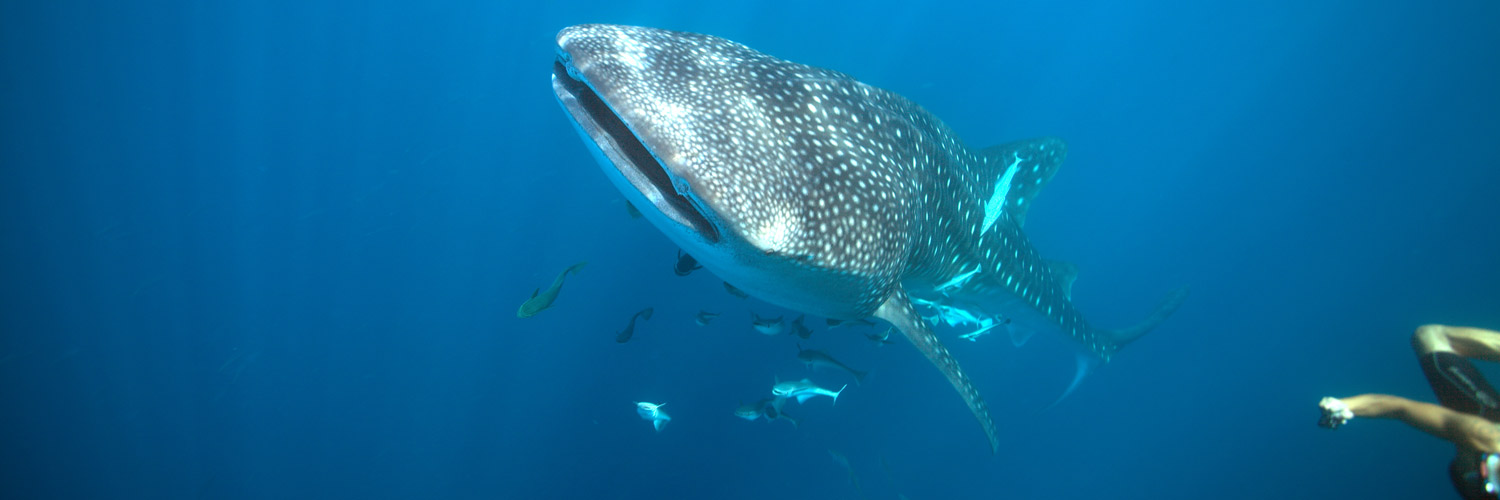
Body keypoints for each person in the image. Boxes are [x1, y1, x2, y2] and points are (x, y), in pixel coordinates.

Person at [1320, 324, 1500, 499]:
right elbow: (1400, 408)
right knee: (1430, 336)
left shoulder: (1484, 442)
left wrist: (1345, 406)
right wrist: (1345, 406)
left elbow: (1399, 408)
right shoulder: (1487, 437)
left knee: (1430, 335)